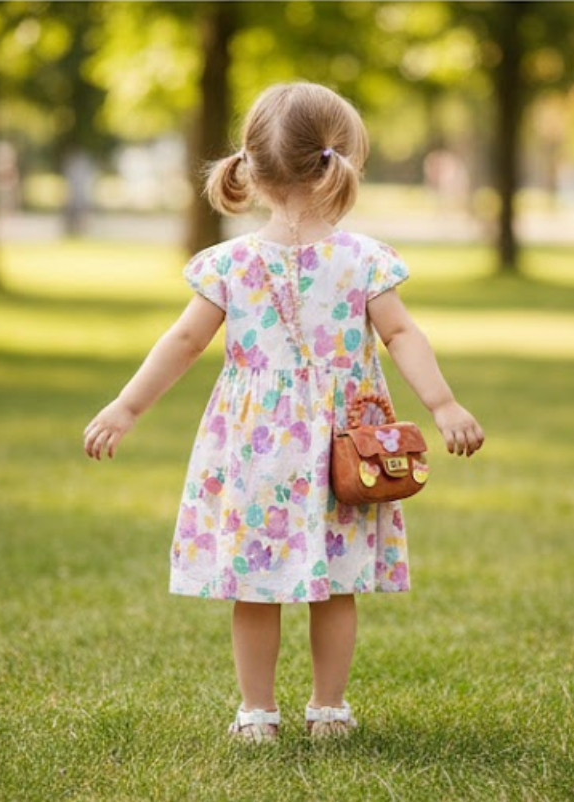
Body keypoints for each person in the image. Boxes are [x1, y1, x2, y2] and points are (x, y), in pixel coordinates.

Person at [83, 82, 484, 743]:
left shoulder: (230, 266)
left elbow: (183, 342)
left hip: (255, 447)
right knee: (337, 583)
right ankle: (328, 708)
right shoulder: (360, 260)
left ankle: (256, 711)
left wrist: (128, 408)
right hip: (342, 448)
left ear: (253, 168)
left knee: (253, 583)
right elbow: (402, 335)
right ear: (340, 163)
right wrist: (441, 403)